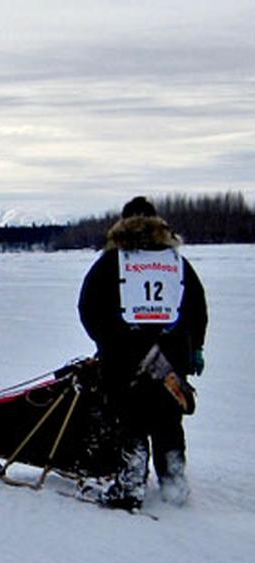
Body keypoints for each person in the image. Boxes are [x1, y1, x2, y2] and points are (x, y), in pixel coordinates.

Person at [78, 196, 207, 510]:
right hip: (171, 360)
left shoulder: (112, 262)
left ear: (122, 223)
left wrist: (106, 343)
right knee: (168, 422)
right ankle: (174, 486)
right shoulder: (176, 263)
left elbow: (88, 308)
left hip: (123, 360)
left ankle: (130, 488)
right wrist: (196, 348)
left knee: (129, 422)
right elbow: (196, 308)